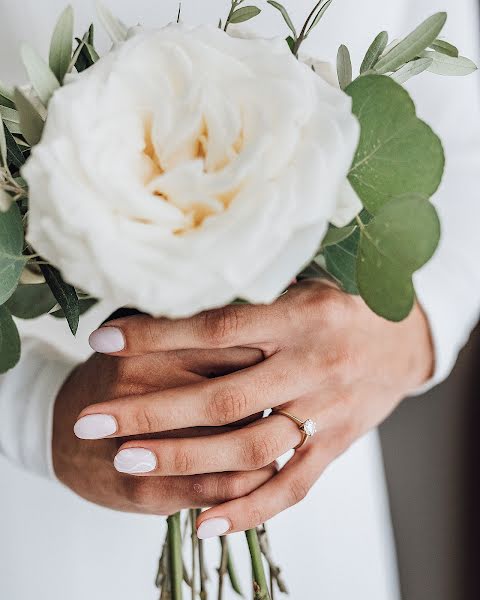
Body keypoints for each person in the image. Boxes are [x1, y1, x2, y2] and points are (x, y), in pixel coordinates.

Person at [0, 0, 479, 598]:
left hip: (313, 476)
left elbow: (462, 156)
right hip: (34, 504)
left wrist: (404, 336)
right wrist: (27, 413)